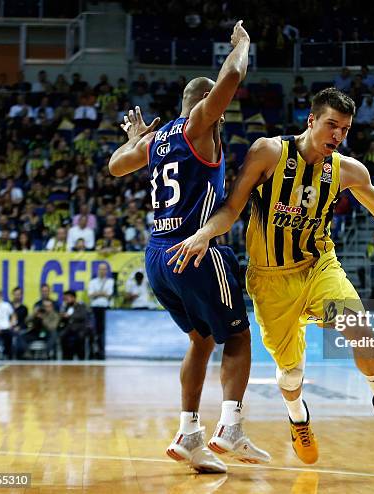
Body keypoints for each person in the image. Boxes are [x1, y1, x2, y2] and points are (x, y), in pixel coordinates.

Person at [168, 87, 374, 465]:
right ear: (311, 121)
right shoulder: (268, 153)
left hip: (319, 265)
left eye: (345, 129)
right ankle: (299, 420)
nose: (338, 136)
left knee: (359, 325)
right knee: (290, 375)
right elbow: (232, 206)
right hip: (270, 280)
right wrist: (205, 233)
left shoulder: (347, 170)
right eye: (331, 125)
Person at [107, 21, 269, 473]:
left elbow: (116, 165)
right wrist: (242, 45)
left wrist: (135, 138)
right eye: (215, 108)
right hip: (194, 250)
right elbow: (232, 78)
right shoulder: (198, 124)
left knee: (200, 340)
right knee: (237, 336)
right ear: (203, 106)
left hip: (157, 256)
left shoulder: (157, 141)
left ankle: (188, 433)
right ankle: (231, 428)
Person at [88, 262, 114, 359]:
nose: (102, 271)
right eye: (100, 269)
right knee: (95, 330)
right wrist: (102, 293)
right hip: (95, 308)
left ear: (106, 271)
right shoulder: (92, 282)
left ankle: (103, 351)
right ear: (97, 270)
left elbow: (109, 295)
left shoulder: (110, 281)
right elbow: (90, 295)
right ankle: (95, 351)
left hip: (105, 309)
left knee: (104, 331)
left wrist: (97, 293)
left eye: (104, 269)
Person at [60, 290, 90, 360]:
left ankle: (81, 357)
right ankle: (66, 358)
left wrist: (69, 316)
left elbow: (82, 316)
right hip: (69, 328)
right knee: (62, 336)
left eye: (67, 299)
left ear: (73, 298)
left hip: (80, 328)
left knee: (80, 337)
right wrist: (62, 316)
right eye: (65, 299)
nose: (66, 300)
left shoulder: (81, 306)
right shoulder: (66, 307)